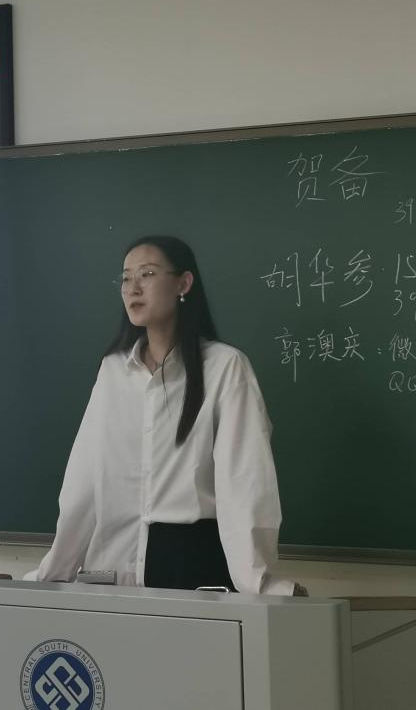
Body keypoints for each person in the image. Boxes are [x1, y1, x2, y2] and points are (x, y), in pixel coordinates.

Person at [32, 235, 301, 595]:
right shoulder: (113, 371)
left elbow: (245, 482)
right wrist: (56, 571)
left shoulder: (224, 367)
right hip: (114, 571)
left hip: (194, 569)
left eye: (146, 274)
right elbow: (84, 479)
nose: (133, 288)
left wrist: (260, 583)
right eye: (126, 278)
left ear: (183, 284)